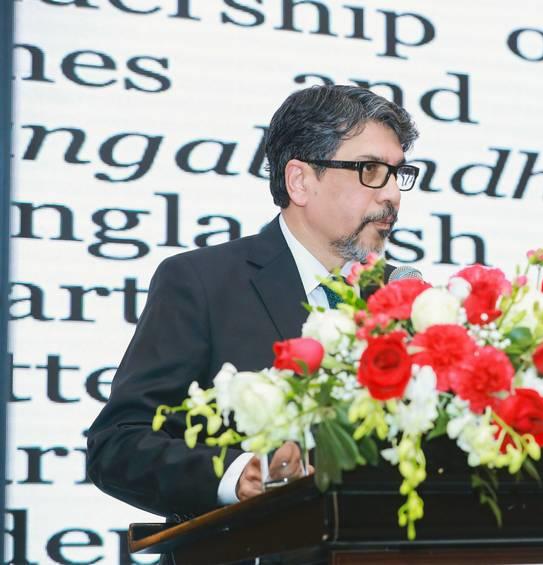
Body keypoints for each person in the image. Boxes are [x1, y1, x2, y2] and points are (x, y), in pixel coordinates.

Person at [86, 85, 420, 522]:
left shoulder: (400, 296)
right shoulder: (202, 284)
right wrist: (238, 474)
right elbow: (118, 445)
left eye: (397, 173)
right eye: (370, 170)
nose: (392, 193)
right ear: (300, 181)